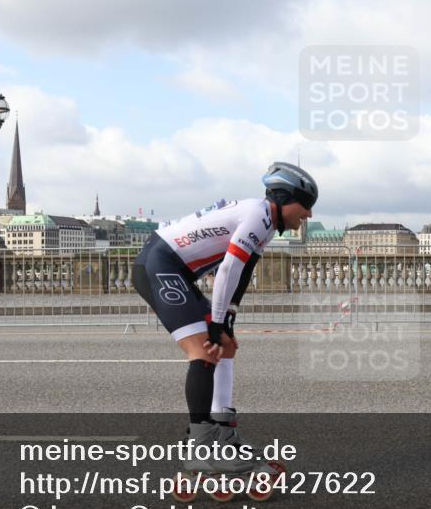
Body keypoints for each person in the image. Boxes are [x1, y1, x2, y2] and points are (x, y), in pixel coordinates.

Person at [132, 161, 317, 476]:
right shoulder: (258, 214)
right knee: (203, 351)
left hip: (175, 270)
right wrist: (215, 323)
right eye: (306, 206)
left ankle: (223, 436)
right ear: (285, 199)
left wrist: (227, 319)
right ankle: (201, 449)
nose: (309, 215)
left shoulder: (268, 223)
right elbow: (228, 269)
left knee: (226, 346)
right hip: (159, 264)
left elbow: (243, 273)